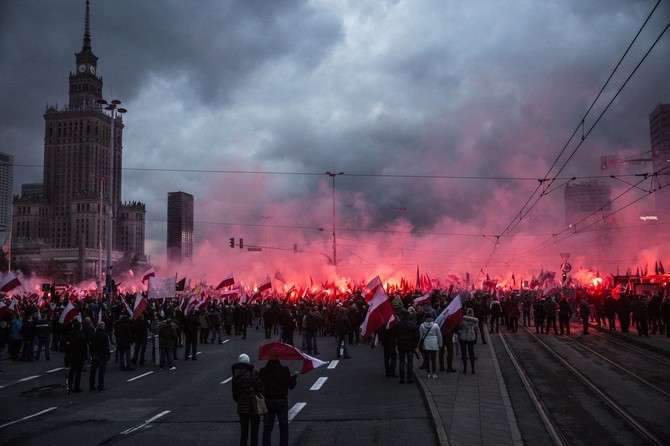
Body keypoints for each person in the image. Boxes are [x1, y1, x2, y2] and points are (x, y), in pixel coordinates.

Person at [259, 359, 298, 446]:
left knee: (267, 428)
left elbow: (260, 387)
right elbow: (291, 386)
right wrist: (294, 378)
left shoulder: (263, 371)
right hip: (281, 400)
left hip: (268, 401)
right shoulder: (284, 370)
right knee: (284, 427)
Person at [232, 353, 265, 446]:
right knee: (254, 432)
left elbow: (234, 393)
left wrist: (240, 401)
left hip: (242, 406)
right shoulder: (253, 372)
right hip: (254, 406)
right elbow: (261, 389)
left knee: (244, 432)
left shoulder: (236, 375)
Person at [395, 309, 420, 384]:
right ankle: (409, 378)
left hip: (401, 346)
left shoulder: (398, 324)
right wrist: (415, 344)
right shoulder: (412, 324)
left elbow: (395, 334)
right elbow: (417, 336)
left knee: (401, 362)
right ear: (408, 315)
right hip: (410, 346)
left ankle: (402, 378)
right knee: (410, 362)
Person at [64, 320, 87, 392]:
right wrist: (85, 356)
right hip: (79, 356)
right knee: (78, 372)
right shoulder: (81, 336)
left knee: (72, 371)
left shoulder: (69, 334)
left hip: (71, 355)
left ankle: (70, 386)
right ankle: (76, 386)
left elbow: (66, 344)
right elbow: (84, 347)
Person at [89, 321, 111, 391]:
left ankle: (91, 386)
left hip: (95, 354)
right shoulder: (104, 335)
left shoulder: (93, 334)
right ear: (102, 326)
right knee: (101, 372)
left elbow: (91, 345)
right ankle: (100, 386)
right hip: (102, 355)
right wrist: (108, 355)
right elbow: (106, 347)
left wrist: (92, 353)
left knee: (93, 372)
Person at [419, 314, 442, 379]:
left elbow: (420, 336)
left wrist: (419, 344)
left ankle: (428, 373)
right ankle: (434, 373)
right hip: (434, 344)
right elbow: (439, 336)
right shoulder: (436, 325)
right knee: (433, 359)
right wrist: (440, 344)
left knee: (427, 359)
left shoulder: (422, 325)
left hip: (426, 344)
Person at [458, 308, 479, 374]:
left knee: (464, 353)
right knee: (471, 353)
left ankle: (465, 369)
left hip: (463, 338)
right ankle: (473, 369)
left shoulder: (463, 320)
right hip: (471, 338)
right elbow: (476, 329)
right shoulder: (475, 321)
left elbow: (460, 326)